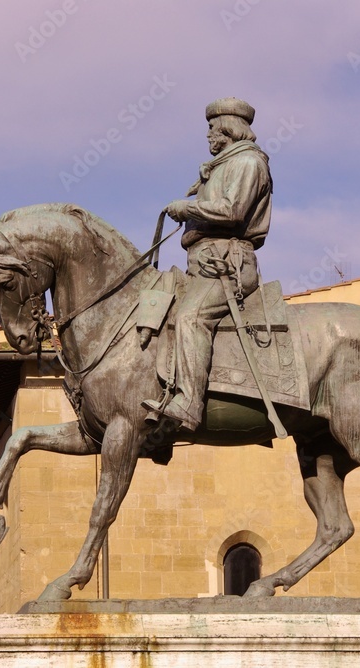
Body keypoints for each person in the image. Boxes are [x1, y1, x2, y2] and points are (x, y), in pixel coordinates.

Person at [143, 97, 272, 431]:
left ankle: (187, 403)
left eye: (212, 128)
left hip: (229, 265)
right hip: (202, 265)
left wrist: (189, 210)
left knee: (190, 317)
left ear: (228, 128)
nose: (208, 135)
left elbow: (233, 211)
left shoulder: (249, 162)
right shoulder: (221, 166)